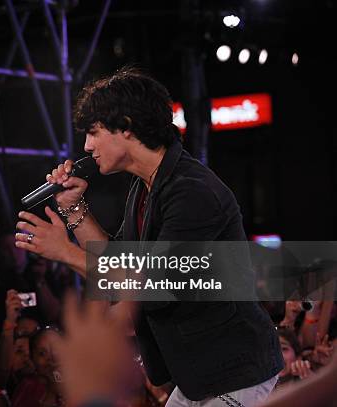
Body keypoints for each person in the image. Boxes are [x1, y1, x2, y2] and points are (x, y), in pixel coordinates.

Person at [14, 67, 283, 406]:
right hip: (200, 376)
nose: (86, 145)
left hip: (237, 370)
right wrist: (72, 208)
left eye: (93, 132)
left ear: (125, 126)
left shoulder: (192, 193)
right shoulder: (146, 187)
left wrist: (64, 252)